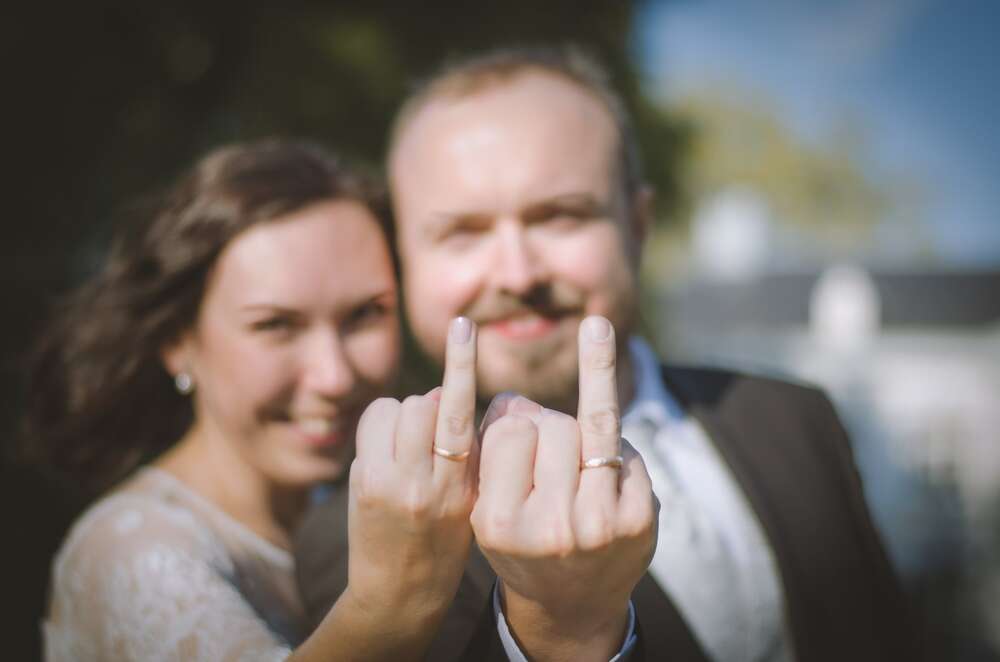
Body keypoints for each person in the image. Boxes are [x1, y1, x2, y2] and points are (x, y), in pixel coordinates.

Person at [294, 47, 917, 661]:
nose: (516, 273)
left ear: (638, 225)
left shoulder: (793, 417)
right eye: (462, 232)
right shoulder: (357, 541)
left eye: (560, 217)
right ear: (405, 259)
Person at [29, 139, 654, 661]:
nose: (332, 376)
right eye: (275, 326)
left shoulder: (378, 500)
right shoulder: (133, 554)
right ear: (178, 344)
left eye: (364, 315)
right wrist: (393, 602)